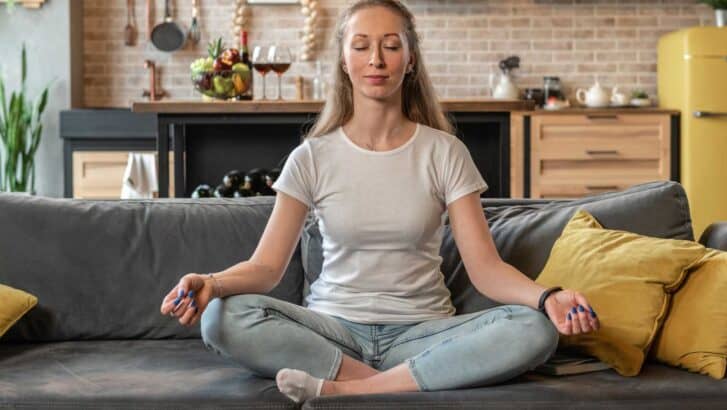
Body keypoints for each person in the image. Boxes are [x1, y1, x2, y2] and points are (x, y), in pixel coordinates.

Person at [159, 0, 600, 403]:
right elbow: (267, 268)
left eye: (391, 46)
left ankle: (346, 390)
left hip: (422, 331)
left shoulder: (444, 152)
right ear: (344, 60)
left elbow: (486, 270)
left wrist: (547, 298)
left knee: (533, 329)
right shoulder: (312, 157)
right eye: (362, 46)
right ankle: (396, 381)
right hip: (333, 332)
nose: (376, 60)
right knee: (222, 316)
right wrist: (213, 283)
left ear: (409, 61)